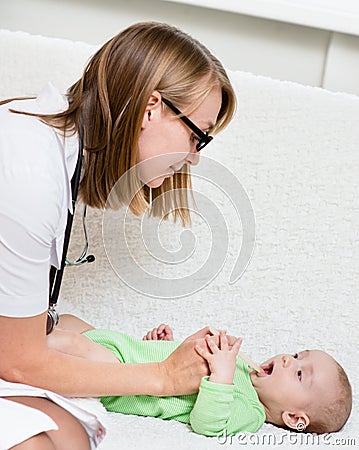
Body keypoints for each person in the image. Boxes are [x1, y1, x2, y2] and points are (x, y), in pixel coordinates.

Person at [0, 21, 236, 449]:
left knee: (72, 436)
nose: (194, 159)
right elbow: (18, 363)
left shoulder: (54, 157)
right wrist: (162, 376)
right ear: (151, 107)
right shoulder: (29, 173)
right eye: (197, 136)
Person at [48, 316, 352, 437]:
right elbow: (175, 368)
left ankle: (17, 347)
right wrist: (163, 346)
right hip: (125, 349)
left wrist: (221, 374)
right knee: (71, 323)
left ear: (293, 418)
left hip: (117, 379)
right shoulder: (244, 369)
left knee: (65, 344)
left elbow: (208, 422)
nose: (288, 359)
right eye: (298, 354)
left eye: (300, 373)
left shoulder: (251, 412)